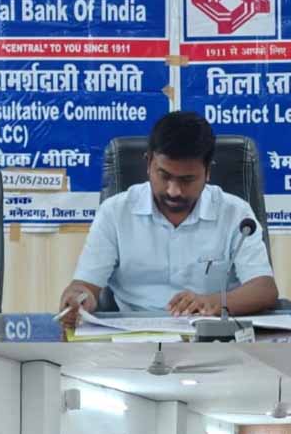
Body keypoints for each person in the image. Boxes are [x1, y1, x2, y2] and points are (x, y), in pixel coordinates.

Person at [57, 111, 278, 321]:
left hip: (212, 331)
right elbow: (85, 286)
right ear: (148, 164)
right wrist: (77, 298)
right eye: (164, 176)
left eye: (187, 180)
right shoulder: (115, 212)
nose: (174, 191)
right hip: (134, 335)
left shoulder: (235, 213)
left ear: (208, 171)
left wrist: (214, 302)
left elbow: (264, 289)